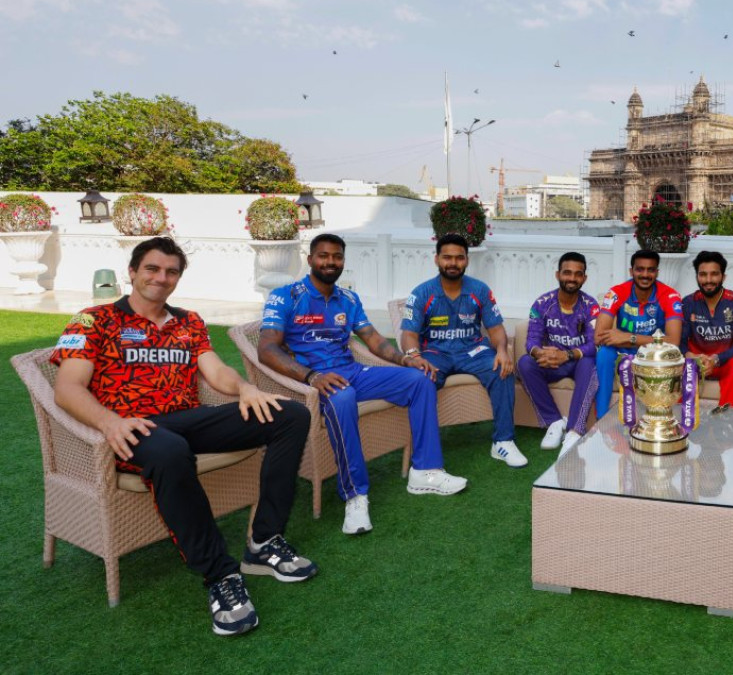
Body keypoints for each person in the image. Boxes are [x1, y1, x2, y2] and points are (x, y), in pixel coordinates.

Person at [50, 236, 316, 637]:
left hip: (187, 419)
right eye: (152, 269)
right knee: (170, 449)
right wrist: (110, 423)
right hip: (132, 428)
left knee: (290, 414)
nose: (161, 278)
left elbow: (216, 371)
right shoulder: (93, 320)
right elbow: (67, 388)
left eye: (171, 272)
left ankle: (264, 542)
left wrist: (245, 388)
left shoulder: (188, 321)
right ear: (132, 272)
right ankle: (220, 575)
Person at [259, 233, 467, 536]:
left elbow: (372, 339)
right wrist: (311, 376)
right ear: (310, 259)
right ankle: (355, 496)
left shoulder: (348, 299)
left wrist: (405, 359)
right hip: (314, 380)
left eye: (337, 256)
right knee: (343, 398)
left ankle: (425, 471)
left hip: (352, 371)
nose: (331, 262)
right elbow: (266, 349)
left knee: (420, 380)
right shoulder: (285, 296)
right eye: (324, 255)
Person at [400, 234, 525, 467]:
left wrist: (502, 349)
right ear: (437, 259)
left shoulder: (479, 289)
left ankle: (503, 441)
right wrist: (414, 357)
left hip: (473, 350)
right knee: (421, 379)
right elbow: (409, 335)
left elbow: (496, 328)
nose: (453, 263)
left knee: (502, 370)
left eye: (459, 258)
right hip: (435, 353)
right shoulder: (422, 293)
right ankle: (425, 445)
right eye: (447, 257)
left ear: (467, 260)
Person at [517, 251, 600, 454]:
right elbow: (532, 340)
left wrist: (568, 355)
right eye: (567, 272)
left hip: (577, 362)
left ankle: (574, 430)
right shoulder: (542, 303)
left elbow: (594, 344)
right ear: (558, 274)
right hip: (552, 363)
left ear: (584, 278)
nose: (572, 278)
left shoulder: (591, 306)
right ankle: (554, 422)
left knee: (590, 362)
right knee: (525, 363)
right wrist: (540, 354)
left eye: (578, 274)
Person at [594, 249, 684, 418]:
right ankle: (601, 417)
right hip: (623, 353)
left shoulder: (670, 295)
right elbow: (599, 336)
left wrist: (630, 338)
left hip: (653, 355)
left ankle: (659, 417)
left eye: (651, 270)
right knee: (604, 353)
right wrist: (628, 341)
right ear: (631, 271)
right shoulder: (616, 292)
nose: (645, 274)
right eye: (640, 269)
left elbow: (673, 342)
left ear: (657, 272)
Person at [679, 251, 733, 407]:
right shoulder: (688, 303)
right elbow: (680, 341)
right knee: (683, 363)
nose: (708, 280)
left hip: (724, 361)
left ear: (723, 277)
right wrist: (690, 355)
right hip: (696, 361)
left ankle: (729, 418)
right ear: (697, 277)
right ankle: (681, 418)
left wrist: (716, 359)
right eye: (703, 274)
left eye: (714, 274)